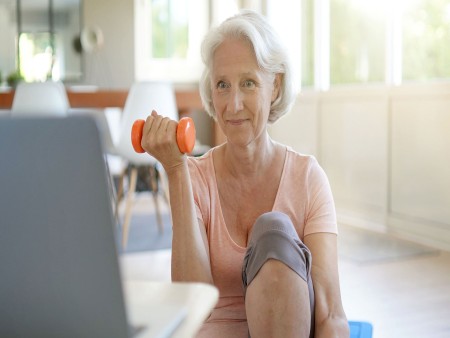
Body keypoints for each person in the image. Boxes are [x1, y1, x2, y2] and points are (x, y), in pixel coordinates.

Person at [139, 9, 349, 338]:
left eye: (248, 83)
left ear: (275, 87)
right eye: (222, 85)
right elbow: (191, 303)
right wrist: (176, 171)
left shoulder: (307, 178)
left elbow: (330, 313)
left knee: (273, 228)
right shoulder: (194, 177)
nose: (233, 104)